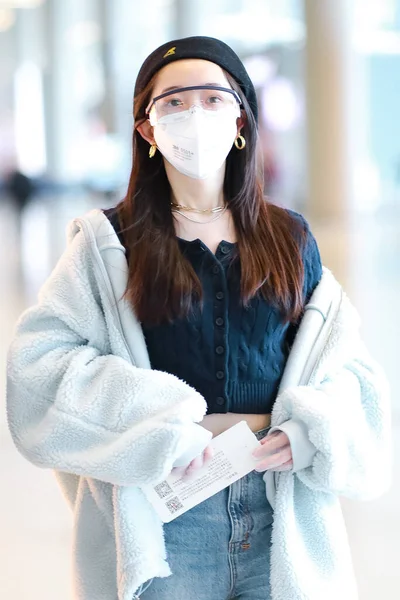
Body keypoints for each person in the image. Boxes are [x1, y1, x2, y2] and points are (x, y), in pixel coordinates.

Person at [6, 37, 391, 600]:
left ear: (240, 119)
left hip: (276, 505)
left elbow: (349, 369)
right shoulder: (108, 243)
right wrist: (159, 426)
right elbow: (37, 369)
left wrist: (312, 429)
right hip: (169, 514)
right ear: (148, 130)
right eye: (175, 103)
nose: (195, 116)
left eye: (213, 100)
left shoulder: (290, 237)